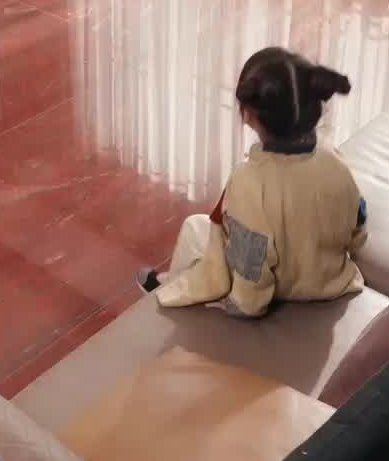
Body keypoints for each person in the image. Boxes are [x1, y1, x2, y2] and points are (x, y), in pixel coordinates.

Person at [138, 47, 368, 319]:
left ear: (248, 115)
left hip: (285, 287)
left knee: (194, 228)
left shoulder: (248, 183)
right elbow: (358, 231)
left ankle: (168, 286)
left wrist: (240, 305)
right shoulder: (337, 163)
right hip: (332, 280)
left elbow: (252, 265)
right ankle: (172, 280)